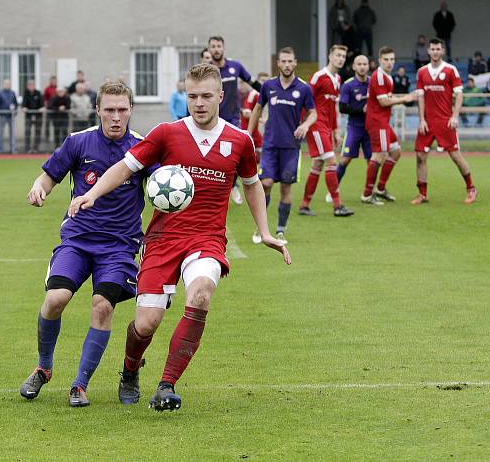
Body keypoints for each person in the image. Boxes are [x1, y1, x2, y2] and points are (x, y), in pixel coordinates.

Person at [68, 63, 291, 412]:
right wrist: (91, 194)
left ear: (221, 96)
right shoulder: (166, 133)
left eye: (205, 96)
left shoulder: (239, 140)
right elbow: (125, 167)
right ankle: (130, 370)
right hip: (163, 239)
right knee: (146, 324)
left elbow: (251, 187)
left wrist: (265, 233)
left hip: (207, 238)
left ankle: (166, 384)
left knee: (201, 294)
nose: (198, 103)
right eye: (192, 96)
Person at [20, 81, 150, 408]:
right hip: (77, 240)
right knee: (55, 299)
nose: (116, 117)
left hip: (119, 246)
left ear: (131, 110)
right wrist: (40, 189)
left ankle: (80, 384)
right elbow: (48, 175)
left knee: (102, 306)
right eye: (110, 110)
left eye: (122, 110)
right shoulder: (78, 142)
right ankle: (43, 367)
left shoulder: (143, 148)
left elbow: (169, 182)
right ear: (98, 110)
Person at [247, 49, 317, 242]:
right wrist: (249, 134)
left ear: (295, 63)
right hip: (270, 144)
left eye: (290, 61)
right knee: (266, 183)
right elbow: (258, 108)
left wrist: (305, 124)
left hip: (291, 147)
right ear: (278, 63)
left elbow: (313, 113)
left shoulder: (303, 88)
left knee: (286, 188)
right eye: (283, 61)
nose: (287, 65)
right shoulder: (268, 85)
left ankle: (280, 230)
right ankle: (260, 228)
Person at [413, 38, 477, 204]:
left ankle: (471, 188)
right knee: (420, 156)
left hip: (445, 122)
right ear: (428, 51)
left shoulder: (450, 70)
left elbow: (459, 94)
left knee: (455, 156)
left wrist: (454, 116)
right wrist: (421, 119)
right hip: (427, 122)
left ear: (442, 51)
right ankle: (422, 194)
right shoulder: (421, 72)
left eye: (438, 49)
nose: (435, 52)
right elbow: (420, 97)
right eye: (432, 49)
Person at [300, 45, 354, 217]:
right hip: (315, 125)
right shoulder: (319, 77)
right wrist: (306, 123)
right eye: (337, 55)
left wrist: (336, 130)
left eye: (343, 56)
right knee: (331, 162)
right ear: (330, 56)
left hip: (326, 127)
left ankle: (304, 205)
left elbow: (332, 108)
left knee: (318, 164)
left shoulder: (337, 79)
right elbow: (305, 98)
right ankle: (338, 206)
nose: (340, 58)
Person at [207, 35, 261, 205]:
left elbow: (252, 82)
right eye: (213, 46)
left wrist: (268, 93)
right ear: (209, 50)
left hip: (232, 119)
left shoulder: (235, 66)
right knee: (212, 155)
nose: (216, 49)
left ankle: (233, 185)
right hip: (211, 120)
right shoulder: (207, 70)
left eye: (218, 46)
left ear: (223, 48)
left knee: (234, 152)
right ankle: (217, 188)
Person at [361, 47, 415, 205]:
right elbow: (383, 101)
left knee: (396, 151)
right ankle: (366, 194)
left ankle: (380, 188)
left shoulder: (387, 76)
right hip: (377, 122)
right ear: (379, 60)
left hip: (383, 121)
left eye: (392, 59)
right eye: (386, 59)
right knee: (379, 155)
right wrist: (404, 99)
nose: (390, 62)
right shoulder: (379, 76)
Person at [336, 54, 372, 189]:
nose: (362, 67)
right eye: (359, 64)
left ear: (369, 66)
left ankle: (369, 192)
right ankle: (333, 190)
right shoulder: (348, 85)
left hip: (370, 129)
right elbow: (342, 108)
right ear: (354, 66)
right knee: (345, 159)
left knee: (372, 161)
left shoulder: (373, 83)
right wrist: (361, 110)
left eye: (365, 64)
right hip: (354, 127)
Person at [241, 72, 267, 162]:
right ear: (257, 81)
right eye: (262, 81)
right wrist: (262, 120)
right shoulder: (253, 94)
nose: (264, 83)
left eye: (266, 81)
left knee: (262, 152)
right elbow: (246, 113)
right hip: (246, 128)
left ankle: (259, 173)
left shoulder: (262, 95)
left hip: (254, 131)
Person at [0, 79, 18, 153]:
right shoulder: (0, 93)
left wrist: (14, 112)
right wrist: (1, 113)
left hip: (11, 116)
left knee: (12, 134)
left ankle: (13, 149)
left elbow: (16, 103)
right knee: (1, 133)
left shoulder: (12, 93)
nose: (7, 85)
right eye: (6, 84)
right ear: (3, 84)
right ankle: (0, 149)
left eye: (9, 84)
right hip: (3, 116)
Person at [22, 79, 43, 153]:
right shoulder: (26, 93)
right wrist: (24, 108)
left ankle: (36, 148)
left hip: (38, 116)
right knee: (27, 131)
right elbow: (23, 104)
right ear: (27, 86)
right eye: (29, 85)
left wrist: (41, 108)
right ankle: (27, 148)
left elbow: (42, 105)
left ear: (34, 86)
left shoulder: (38, 93)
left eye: (32, 85)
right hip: (28, 115)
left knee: (37, 132)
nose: (31, 86)